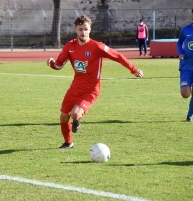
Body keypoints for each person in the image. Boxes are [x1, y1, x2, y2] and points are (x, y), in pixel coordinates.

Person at [47, 15, 144, 149]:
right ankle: (68, 143)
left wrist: (133, 69)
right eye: (80, 29)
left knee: (74, 113)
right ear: (76, 29)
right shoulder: (70, 46)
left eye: (86, 29)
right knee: (63, 116)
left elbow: (118, 56)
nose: (83, 32)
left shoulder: (97, 46)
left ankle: (77, 119)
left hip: (91, 89)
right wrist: (51, 63)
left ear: (90, 29)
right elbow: (58, 65)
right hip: (75, 87)